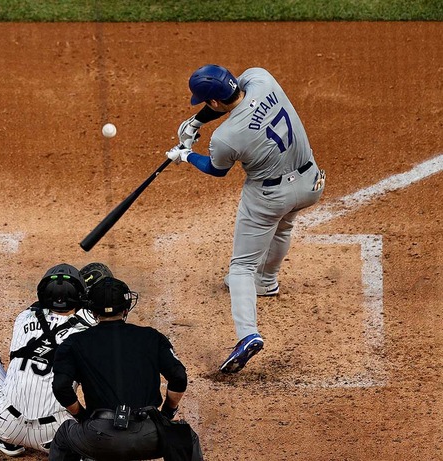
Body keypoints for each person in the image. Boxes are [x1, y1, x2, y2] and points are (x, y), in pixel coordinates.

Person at [165, 64, 326, 374]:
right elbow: (231, 100)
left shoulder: (226, 138)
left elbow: (216, 168)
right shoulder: (262, 78)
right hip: (310, 184)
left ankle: (247, 335)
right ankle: (267, 283)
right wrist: (197, 121)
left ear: (212, 103)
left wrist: (184, 154)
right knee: (284, 225)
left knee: (240, 267)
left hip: (269, 196)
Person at [0, 262, 113, 456]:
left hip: (5, 425)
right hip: (56, 434)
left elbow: (46, 308)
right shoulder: (90, 335)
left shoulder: (23, 317)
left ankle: (0, 437)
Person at [49, 276, 204, 461]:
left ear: (92, 311)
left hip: (98, 436)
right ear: (126, 308)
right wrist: (166, 413)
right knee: (187, 437)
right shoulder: (151, 337)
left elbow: (61, 387)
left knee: (64, 437)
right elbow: (179, 376)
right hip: (149, 435)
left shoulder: (74, 343)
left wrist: (82, 417)